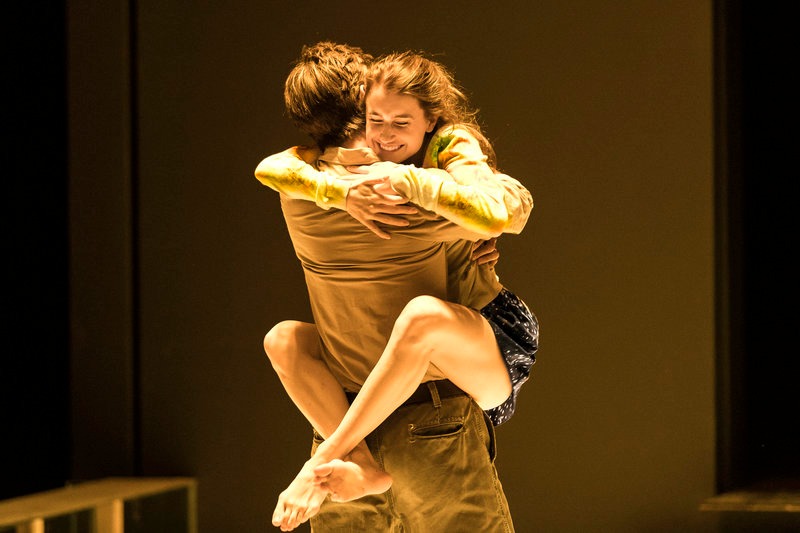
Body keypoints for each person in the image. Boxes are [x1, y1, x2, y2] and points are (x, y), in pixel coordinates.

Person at [255, 42, 538, 532]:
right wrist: (416, 188)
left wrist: (339, 187)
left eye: (397, 121)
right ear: (363, 104)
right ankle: (354, 457)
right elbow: (506, 210)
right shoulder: (400, 188)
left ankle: (343, 452)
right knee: (292, 336)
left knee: (294, 337)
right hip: (433, 396)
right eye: (377, 119)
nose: (385, 134)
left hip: (451, 354)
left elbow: (271, 168)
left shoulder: (298, 190)